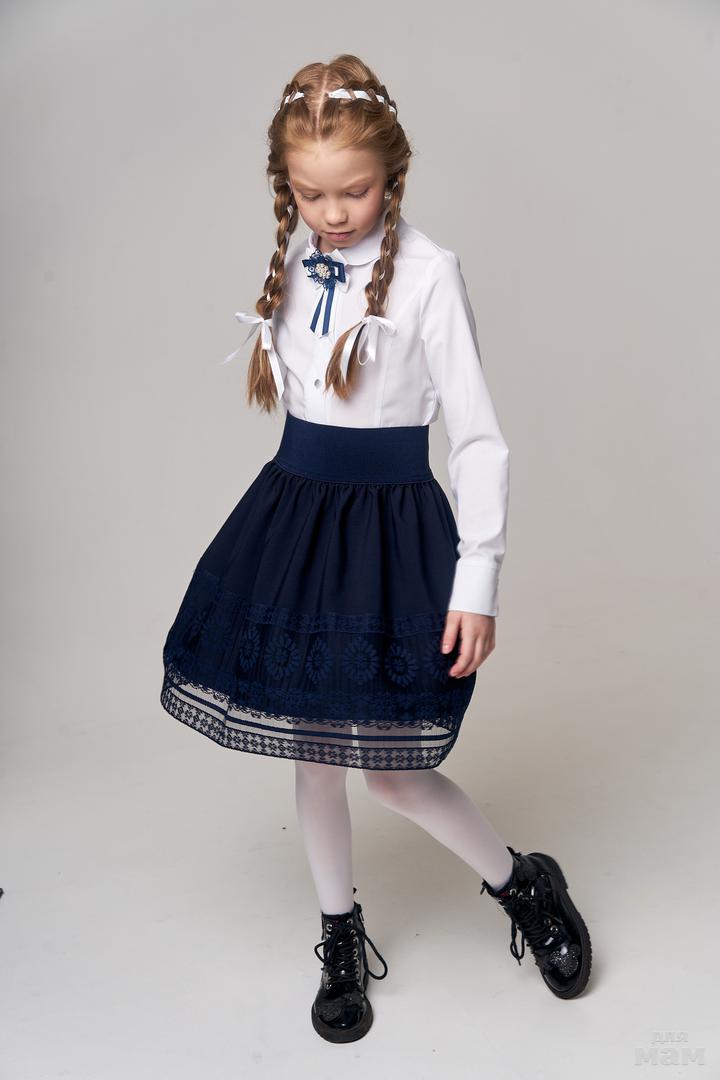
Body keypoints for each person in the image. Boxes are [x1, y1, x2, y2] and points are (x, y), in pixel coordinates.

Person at [159, 53, 592, 1043]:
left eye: (352, 192)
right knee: (314, 755)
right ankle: (339, 932)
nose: (333, 213)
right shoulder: (298, 262)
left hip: (390, 536)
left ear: (393, 175)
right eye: (310, 194)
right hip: (297, 525)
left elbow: (477, 439)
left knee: (392, 770)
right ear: (286, 186)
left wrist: (477, 580)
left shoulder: (431, 274)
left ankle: (521, 883)